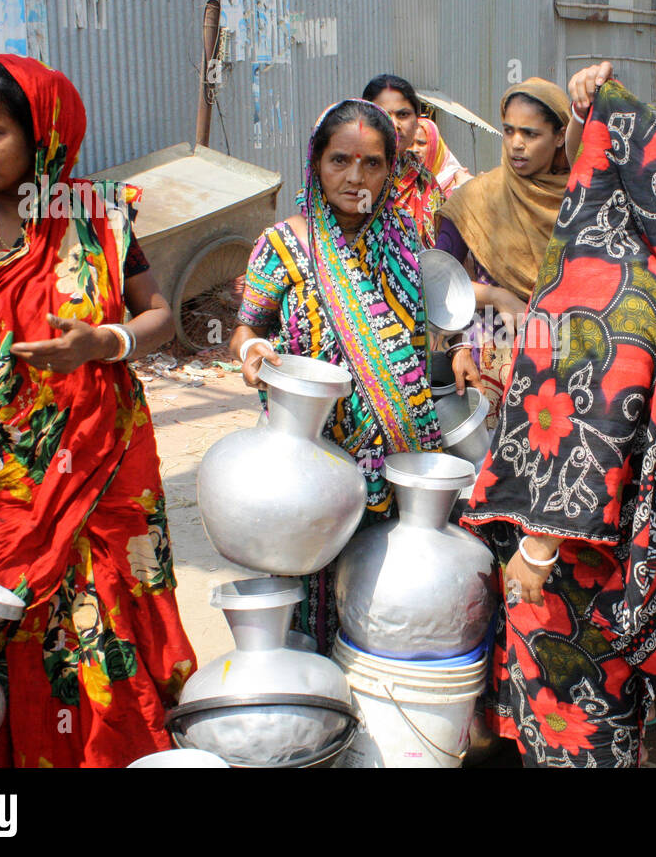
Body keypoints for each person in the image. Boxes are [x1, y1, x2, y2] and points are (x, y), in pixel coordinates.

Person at [0, 54, 195, 767]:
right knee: (9, 635)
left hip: (110, 471)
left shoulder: (96, 216)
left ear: (44, 135)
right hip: (4, 493)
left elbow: (161, 317)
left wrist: (104, 342)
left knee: (115, 627)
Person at [460, 73, 656, 768]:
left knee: (567, 690)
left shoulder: (604, 283)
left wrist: (540, 551)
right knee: (607, 684)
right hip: (637, 535)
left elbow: (596, 430)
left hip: (576, 549)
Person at [232, 98, 444, 652]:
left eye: (372, 163)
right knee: (314, 578)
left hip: (398, 453)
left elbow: (427, 329)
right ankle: (316, 692)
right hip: (316, 454)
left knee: (388, 585)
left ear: (391, 168)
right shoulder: (285, 245)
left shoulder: (404, 239)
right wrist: (253, 350)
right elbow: (247, 328)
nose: (355, 178)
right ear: (316, 163)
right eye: (339, 161)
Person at [435, 78, 572, 420]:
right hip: (491, 365)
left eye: (530, 134)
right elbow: (434, 279)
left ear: (560, 137)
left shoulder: (582, 203)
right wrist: (494, 298)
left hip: (567, 361)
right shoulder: (478, 198)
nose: (516, 145)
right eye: (508, 131)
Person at [362, 74, 446, 247]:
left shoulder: (425, 183)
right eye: (383, 114)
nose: (394, 124)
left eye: (403, 114)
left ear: (417, 122)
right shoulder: (351, 176)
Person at [412, 116, 473, 197]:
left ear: (434, 146)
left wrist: (460, 190)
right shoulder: (402, 180)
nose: (414, 150)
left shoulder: (459, 181)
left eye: (421, 144)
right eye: (410, 144)